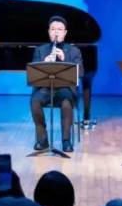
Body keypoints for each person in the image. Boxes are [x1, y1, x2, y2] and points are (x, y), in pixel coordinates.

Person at [30, 16, 83, 153]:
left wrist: (65, 59)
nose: (56, 32)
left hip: (66, 89)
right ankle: (43, 140)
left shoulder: (74, 51)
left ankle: (66, 141)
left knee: (66, 103)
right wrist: (44, 63)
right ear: (49, 32)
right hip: (45, 89)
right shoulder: (40, 50)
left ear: (65, 33)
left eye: (59, 29)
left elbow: (81, 72)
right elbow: (33, 73)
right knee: (35, 101)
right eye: (53, 29)